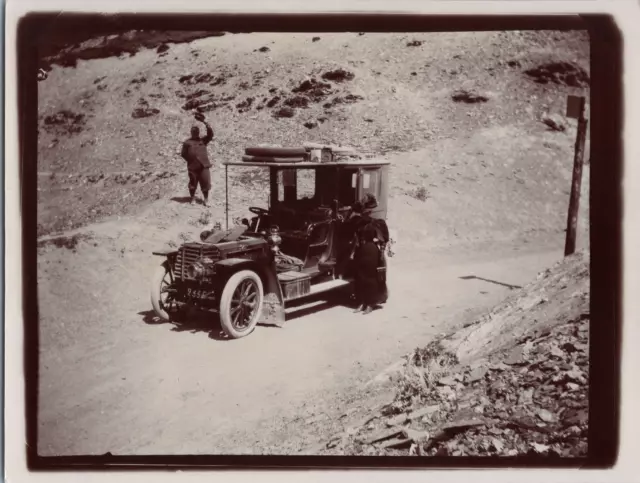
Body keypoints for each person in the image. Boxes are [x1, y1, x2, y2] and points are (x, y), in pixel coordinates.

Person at [181, 112, 214, 206]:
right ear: (191, 132)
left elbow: (211, 134)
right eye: (193, 132)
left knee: (205, 183)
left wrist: (205, 122)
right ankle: (192, 198)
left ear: (198, 132)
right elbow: (183, 154)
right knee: (192, 183)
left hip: (204, 165)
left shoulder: (203, 140)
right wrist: (191, 160)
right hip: (192, 167)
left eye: (196, 132)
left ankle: (206, 199)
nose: (195, 133)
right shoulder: (187, 142)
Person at [353, 223, 384, 314]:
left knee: (370, 281)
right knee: (361, 280)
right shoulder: (364, 226)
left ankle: (370, 304)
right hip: (364, 254)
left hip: (371, 255)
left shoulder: (373, 226)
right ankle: (362, 303)